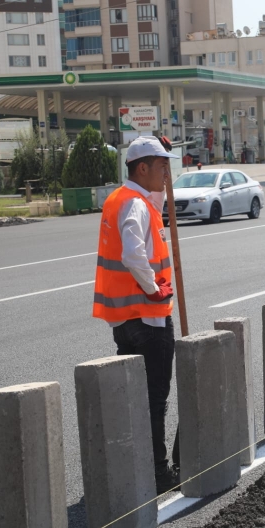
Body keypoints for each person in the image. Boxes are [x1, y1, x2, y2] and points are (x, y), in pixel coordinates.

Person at [92, 136, 181, 494]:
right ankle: (158, 474)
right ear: (142, 168)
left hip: (124, 321)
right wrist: (152, 288)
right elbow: (133, 254)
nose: (166, 173)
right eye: (161, 166)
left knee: (135, 399)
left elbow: (152, 207)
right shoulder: (135, 205)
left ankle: (134, 466)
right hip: (149, 319)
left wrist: (158, 150)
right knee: (154, 400)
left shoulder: (122, 198)